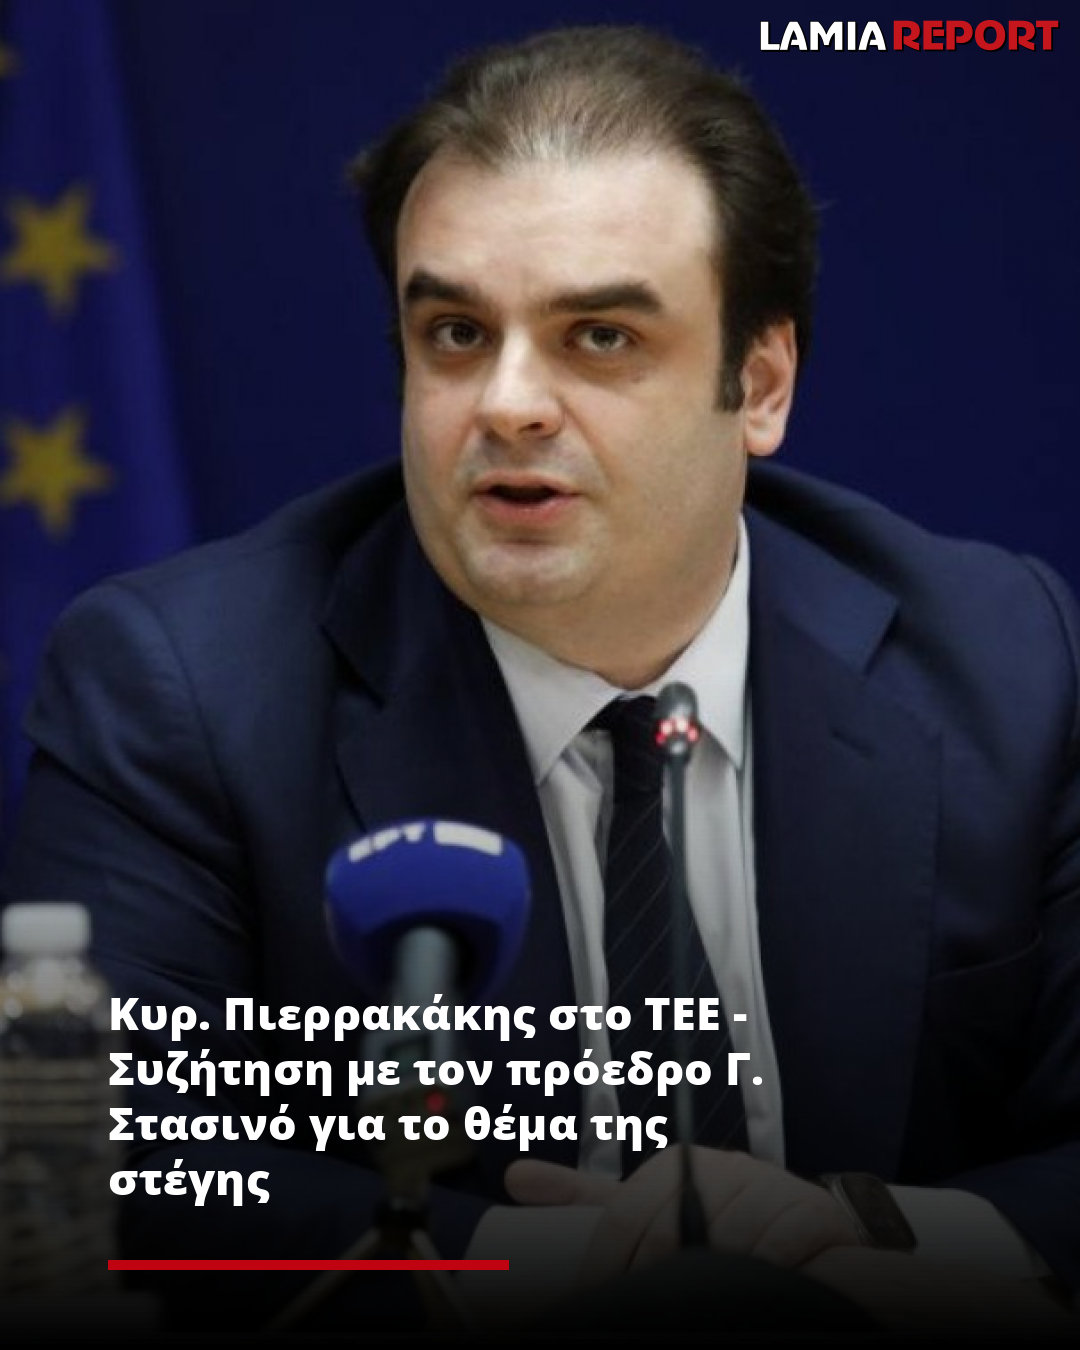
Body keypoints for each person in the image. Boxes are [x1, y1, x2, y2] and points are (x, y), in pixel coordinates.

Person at [2, 23, 1078, 1341]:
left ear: (759, 383)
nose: (508, 403)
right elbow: (114, 1156)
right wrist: (557, 1268)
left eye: (600, 337)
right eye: (456, 332)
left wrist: (870, 1237)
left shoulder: (1005, 662)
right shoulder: (182, 684)